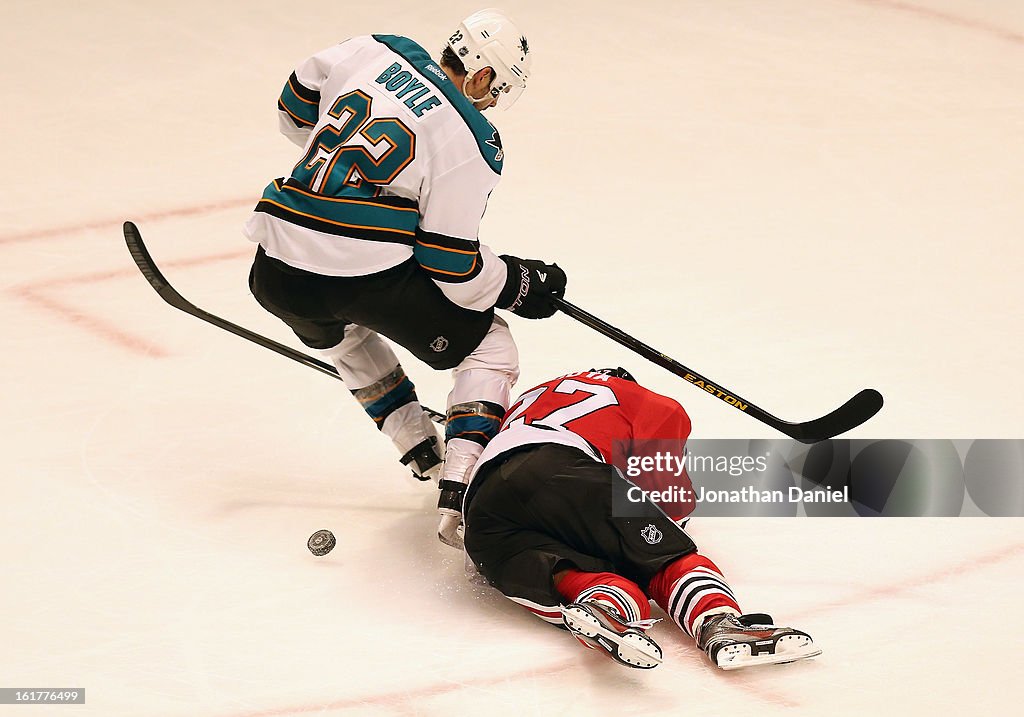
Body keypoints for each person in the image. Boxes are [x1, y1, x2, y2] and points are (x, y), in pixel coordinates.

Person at [243, 9, 566, 546]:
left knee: (345, 335)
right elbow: (449, 262)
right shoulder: (474, 137)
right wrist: (518, 283)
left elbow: (293, 110)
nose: (489, 104)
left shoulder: (377, 47)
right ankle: (460, 498)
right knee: (490, 349)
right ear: (482, 76)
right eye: (495, 92)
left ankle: (420, 447)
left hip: (274, 266)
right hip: (357, 274)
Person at [461, 368, 822, 670]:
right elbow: (671, 504)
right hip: (563, 470)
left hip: (481, 514)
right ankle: (720, 622)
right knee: (666, 559)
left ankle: (602, 607)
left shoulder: (532, 398)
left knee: (569, 575)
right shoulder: (633, 397)